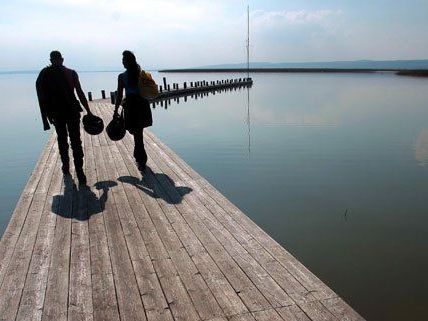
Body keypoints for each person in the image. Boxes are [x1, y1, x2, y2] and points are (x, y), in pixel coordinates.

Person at [36, 50, 92, 184]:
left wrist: (47, 113)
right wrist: (88, 111)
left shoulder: (45, 73)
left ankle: (66, 166)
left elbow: (41, 94)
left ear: (51, 60)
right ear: (62, 59)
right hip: (71, 111)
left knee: (62, 140)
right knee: (75, 141)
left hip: (57, 113)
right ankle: (79, 170)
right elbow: (79, 92)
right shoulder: (71, 73)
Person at [114, 50, 149, 171]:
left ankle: (141, 160)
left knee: (136, 132)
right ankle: (139, 157)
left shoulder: (122, 76)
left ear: (128, 62)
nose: (122, 63)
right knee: (137, 132)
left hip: (131, 106)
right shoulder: (141, 74)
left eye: (124, 61)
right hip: (142, 105)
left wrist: (115, 110)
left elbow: (119, 95)